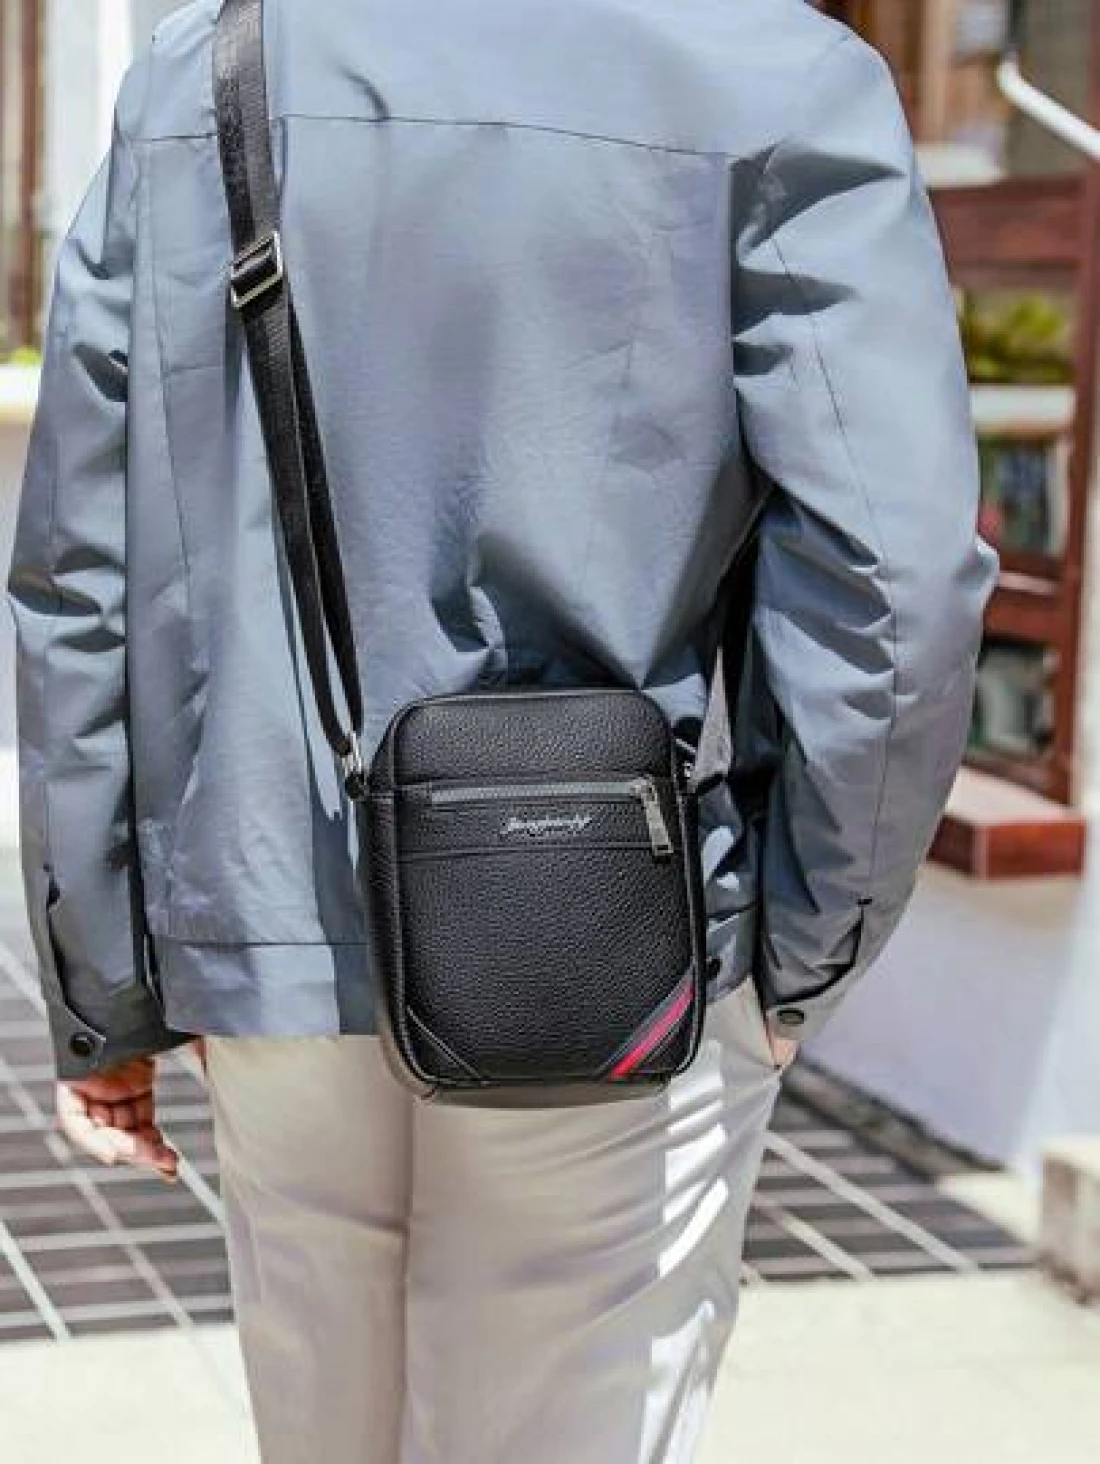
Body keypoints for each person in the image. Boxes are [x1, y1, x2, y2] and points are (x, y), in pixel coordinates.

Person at [6, 0, 997, 1459]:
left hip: (278, 929)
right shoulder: (778, 74)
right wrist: (802, 952)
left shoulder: (201, 73)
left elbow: (80, 570)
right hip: (611, 930)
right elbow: (893, 583)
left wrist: (109, 983)